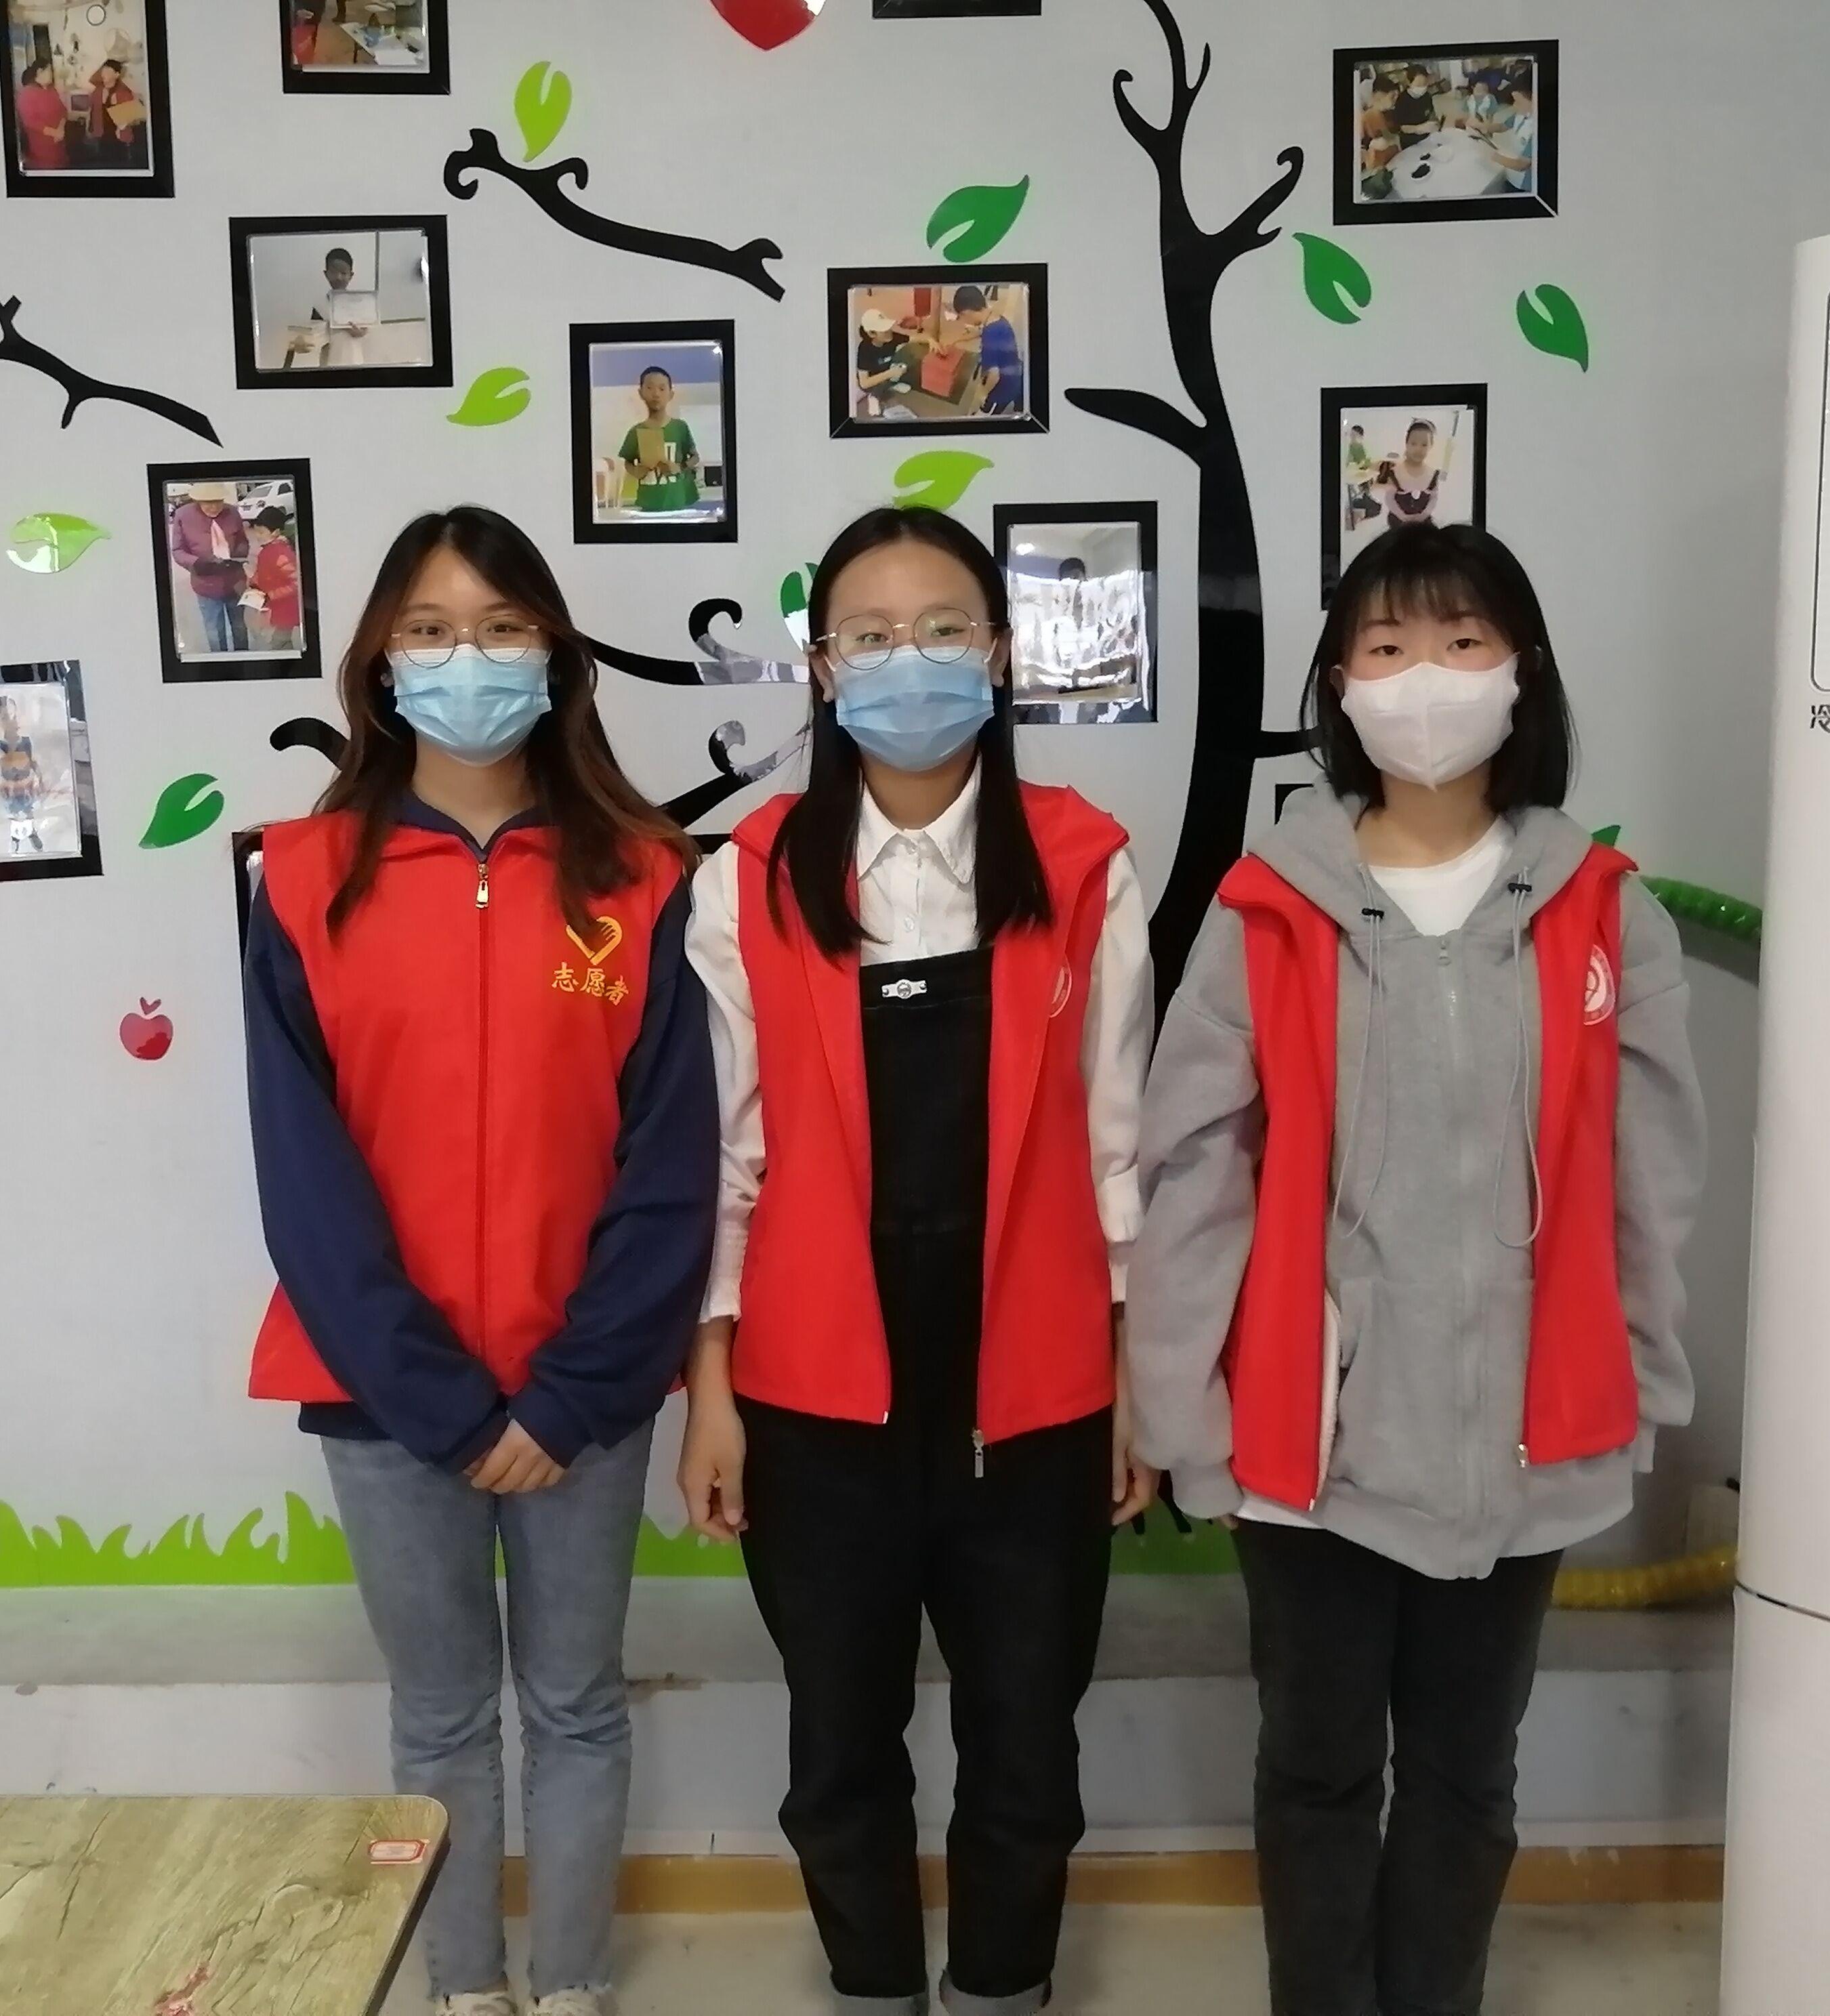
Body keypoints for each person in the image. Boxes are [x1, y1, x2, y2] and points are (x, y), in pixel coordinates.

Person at [1129, 522, 1705, 2016]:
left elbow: (1650, 1179)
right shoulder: (1267, 911)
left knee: (1464, 1772)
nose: (1425, 679)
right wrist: (1179, 1410)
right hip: (1310, 1440)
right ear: (1339, 684)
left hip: (1518, 1432)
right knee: (1318, 1767)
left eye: (1460, 642)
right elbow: (1192, 1173)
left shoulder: (1604, 911)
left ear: (1522, 671)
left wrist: (1641, 1377)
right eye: (1385, 648)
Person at [677, 506, 1158, 2016]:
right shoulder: (749, 876)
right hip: (815, 1393)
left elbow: (1121, 1147)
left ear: (998, 654)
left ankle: (1005, 1986)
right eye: (870, 636)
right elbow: (725, 1159)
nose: (909, 661)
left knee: (1028, 1741)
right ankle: (873, 1987)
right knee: (837, 1742)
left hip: (1036, 1385)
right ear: (822, 669)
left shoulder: (1081, 863)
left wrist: (1133, 1378)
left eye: (943, 629)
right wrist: (711, 1388)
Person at [243, 505, 713, 2016]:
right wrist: (440, 1402)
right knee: (438, 1719)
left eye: (504, 628)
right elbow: (301, 1176)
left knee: (576, 1706)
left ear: (555, 655)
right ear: (380, 661)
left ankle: (567, 1988)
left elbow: (672, 1163)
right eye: (433, 630)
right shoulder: (300, 877)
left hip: (588, 1394)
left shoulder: (645, 876)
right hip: (387, 1400)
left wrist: (572, 1392)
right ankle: (461, 1988)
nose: (470, 659)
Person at [167, 482, 253, 655]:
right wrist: (196, 563)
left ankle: (243, 660)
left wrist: (238, 555)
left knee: (240, 627)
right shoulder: (183, 515)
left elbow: (243, 541)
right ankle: (220, 663)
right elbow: (177, 550)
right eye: (208, 503)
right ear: (198, 501)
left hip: (235, 582)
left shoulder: (232, 512)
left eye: (218, 501)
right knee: (215, 631)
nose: (214, 507)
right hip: (205, 585)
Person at [619, 367, 701, 516]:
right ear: (641, 393)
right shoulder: (636, 431)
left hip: (677, 501)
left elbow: (695, 457)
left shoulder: (680, 427)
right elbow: (628, 461)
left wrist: (679, 467)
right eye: (650, 388)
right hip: (648, 502)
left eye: (662, 389)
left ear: (671, 394)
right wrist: (636, 471)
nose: (656, 394)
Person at [287, 246, 376, 370]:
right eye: (334, 272)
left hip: (355, 361)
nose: (338, 277)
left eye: (344, 273)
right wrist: (303, 341)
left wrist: (362, 332)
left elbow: (368, 329)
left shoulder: (358, 304)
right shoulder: (320, 305)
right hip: (329, 363)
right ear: (326, 274)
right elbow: (314, 336)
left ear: (351, 275)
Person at [952, 285, 1024, 418]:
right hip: (1018, 374)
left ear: (966, 313)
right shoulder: (996, 319)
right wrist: (959, 339)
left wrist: (983, 393)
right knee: (1020, 410)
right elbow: (982, 331)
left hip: (1002, 389)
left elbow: (994, 375)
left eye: (961, 317)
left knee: (984, 416)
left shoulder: (990, 338)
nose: (963, 322)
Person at [0, 692, 46, 854]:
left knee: (29, 812)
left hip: (27, 786)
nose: (11, 721)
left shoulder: (26, 741)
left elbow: (32, 761)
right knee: (14, 815)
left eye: (13, 716)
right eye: (5, 718)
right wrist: (13, 744)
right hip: (11, 788)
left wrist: (40, 777)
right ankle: (15, 837)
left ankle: (32, 832)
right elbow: (6, 763)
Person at [246, 506, 301, 651]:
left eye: (261, 532)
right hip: (274, 607)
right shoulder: (267, 550)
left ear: (276, 532)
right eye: (256, 531)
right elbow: (263, 572)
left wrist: (271, 595)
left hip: (286, 610)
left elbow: (297, 583)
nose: (257, 536)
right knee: (282, 643)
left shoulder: (282, 555)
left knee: (278, 642)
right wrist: (254, 583)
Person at [1380, 419, 1447, 530]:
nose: (1418, 449)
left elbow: (1434, 497)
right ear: (1407, 444)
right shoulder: (1395, 472)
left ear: (1431, 446)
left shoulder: (1432, 474)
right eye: (1414, 444)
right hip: (1398, 521)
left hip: (1423, 522)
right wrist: (1403, 517)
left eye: (1424, 445)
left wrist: (1424, 515)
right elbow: (1389, 499)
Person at [85, 58, 146, 170]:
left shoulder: (124, 92)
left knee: (119, 166)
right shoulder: (98, 91)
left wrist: (124, 124)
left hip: (119, 139)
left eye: (108, 71)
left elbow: (136, 117)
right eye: (103, 70)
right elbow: (91, 110)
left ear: (117, 75)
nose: (103, 74)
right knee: (102, 166)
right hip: (101, 136)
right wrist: (88, 129)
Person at [14, 56, 70, 172]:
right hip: (42, 149)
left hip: (60, 146)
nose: (52, 74)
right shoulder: (27, 93)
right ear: (40, 72)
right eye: (50, 71)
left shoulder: (52, 90)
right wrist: (54, 133)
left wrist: (61, 130)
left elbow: (63, 111)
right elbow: (30, 122)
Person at [854, 307, 910, 417]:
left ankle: (891, 384)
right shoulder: (865, 349)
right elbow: (864, 383)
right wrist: (891, 373)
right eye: (884, 330)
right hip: (872, 382)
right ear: (872, 334)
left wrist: (931, 340)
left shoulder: (891, 337)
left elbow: (913, 339)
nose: (889, 332)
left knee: (907, 360)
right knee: (881, 385)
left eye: (888, 327)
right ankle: (874, 397)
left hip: (887, 372)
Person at [1489, 76, 1539, 193]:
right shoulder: (1521, 114)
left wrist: (1494, 157)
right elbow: (1502, 127)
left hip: (1526, 183)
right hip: (1512, 172)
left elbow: (1522, 165)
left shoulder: (1536, 129)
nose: (1514, 106)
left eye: (1518, 102)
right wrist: (1483, 126)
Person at [1343, 421, 1383, 535]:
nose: (1352, 438)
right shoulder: (1351, 446)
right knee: (1357, 487)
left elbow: (1365, 461)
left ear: (1360, 437)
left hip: (1365, 471)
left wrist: (1361, 465)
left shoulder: (1361, 447)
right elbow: (1350, 458)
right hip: (1358, 471)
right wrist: (1348, 464)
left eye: (1355, 436)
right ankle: (1363, 501)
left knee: (1364, 487)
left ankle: (1367, 503)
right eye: (1351, 435)